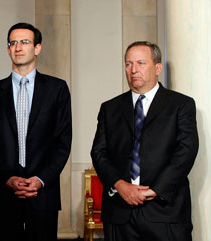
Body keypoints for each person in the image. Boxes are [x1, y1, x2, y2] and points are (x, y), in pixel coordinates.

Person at [91, 41, 197, 241]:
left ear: (157, 68)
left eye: (140, 63)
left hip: (165, 213)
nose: (134, 69)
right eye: (129, 64)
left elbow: (185, 151)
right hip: (119, 213)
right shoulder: (110, 108)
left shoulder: (181, 105)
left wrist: (155, 190)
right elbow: (99, 152)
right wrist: (120, 185)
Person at [0, 22, 72, 241]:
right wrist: (7, 178)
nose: (18, 47)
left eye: (24, 42)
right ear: (8, 49)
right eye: (13, 43)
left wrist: (41, 178)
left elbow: (62, 141)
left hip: (43, 192)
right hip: (3, 193)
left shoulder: (57, 89)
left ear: (37, 48)